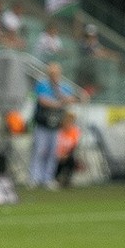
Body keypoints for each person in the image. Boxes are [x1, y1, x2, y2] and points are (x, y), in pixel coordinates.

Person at [29, 61, 83, 189]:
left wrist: (63, 100)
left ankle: (48, 178)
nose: (54, 75)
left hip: (56, 125)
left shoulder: (63, 86)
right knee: (40, 151)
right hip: (42, 123)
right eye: (52, 73)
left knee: (53, 152)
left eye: (56, 73)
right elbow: (42, 100)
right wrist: (59, 103)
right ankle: (34, 178)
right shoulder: (42, 84)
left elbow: (71, 98)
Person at [54, 110, 80, 188]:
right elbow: (54, 145)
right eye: (67, 121)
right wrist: (59, 155)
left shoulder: (75, 131)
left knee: (71, 160)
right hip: (56, 154)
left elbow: (74, 146)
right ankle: (55, 178)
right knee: (55, 161)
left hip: (67, 155)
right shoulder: (57, 131)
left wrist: (66, 154)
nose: (68, 124)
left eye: (70, 121)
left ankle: (67, 180)